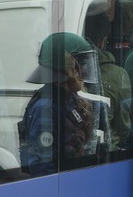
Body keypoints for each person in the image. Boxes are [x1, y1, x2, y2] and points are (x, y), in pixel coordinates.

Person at [19, 32, 110, 176]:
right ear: (64, 69)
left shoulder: (69, 98)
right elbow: (43, 169)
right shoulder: (46, 108)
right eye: (80, 65)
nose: (85, 72)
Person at [84, 1, 132, 148]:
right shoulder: (119, 75)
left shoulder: (72, 68)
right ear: (104, 41)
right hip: (110, 151)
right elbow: (123, 128)